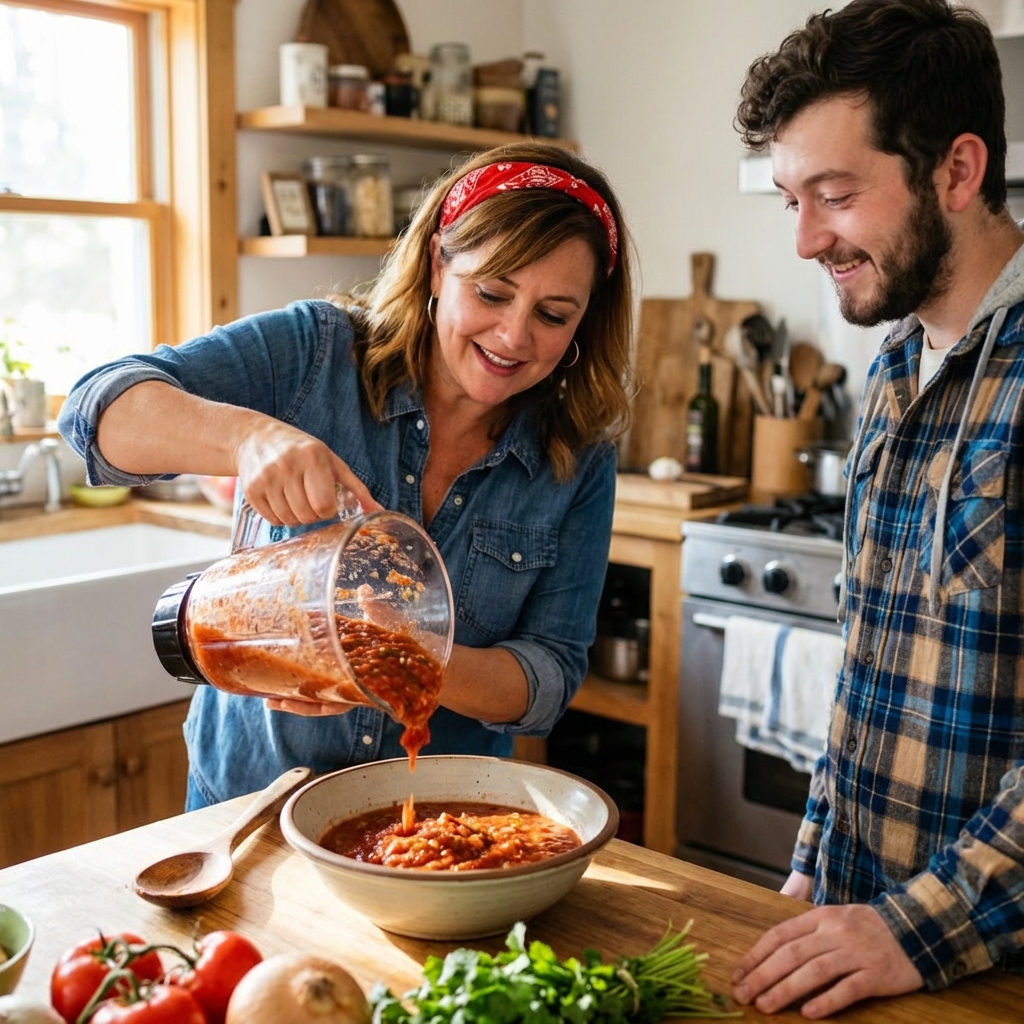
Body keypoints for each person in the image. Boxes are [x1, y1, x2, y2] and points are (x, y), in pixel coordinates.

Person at [59, 142, 634, 811]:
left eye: (553, 314)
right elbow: (95, 410)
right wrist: (248, 439)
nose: (513, 335)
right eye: (492, 292)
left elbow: (548, 679)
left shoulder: (579, 457)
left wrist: (399, 654)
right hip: (249, 805)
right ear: (437, 267)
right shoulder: (316, 353)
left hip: (432, 824)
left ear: (585, 322)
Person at [731, 0, 1024, 1017]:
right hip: (868, 942)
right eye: (790, 198)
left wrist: (914, 927)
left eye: (835, 194)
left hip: (982, 968)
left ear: (956, 170)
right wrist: (816, 858)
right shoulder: (896, 363)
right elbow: (870, 655)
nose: (807, 237)